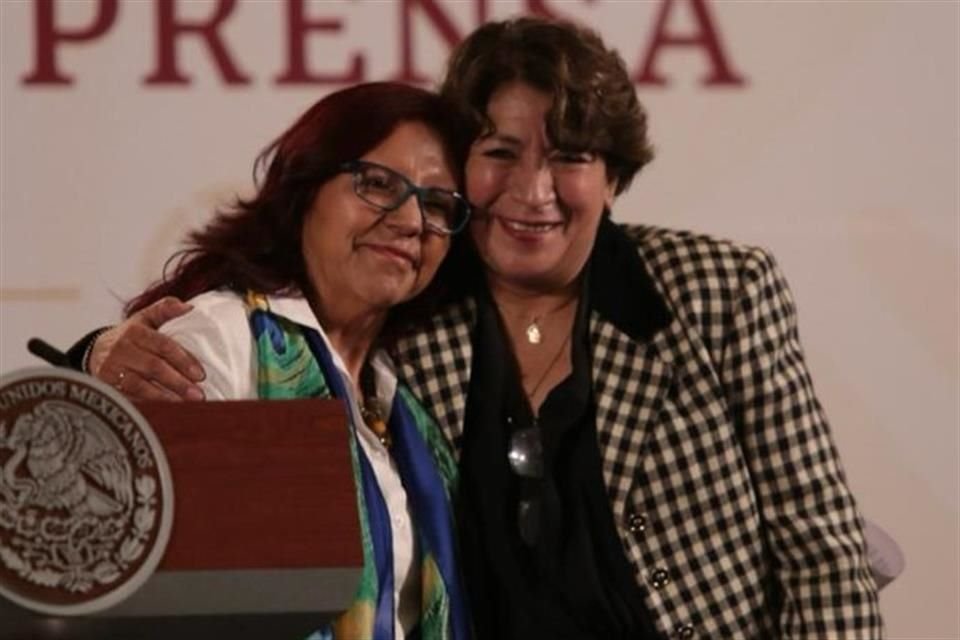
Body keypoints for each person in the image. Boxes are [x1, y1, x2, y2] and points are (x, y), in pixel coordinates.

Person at [69, 17, 882, 639]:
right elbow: (233, 331)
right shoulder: (410, 297)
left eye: (571, 155)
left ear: (614, 176)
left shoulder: (716, 292)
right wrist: (100, 355)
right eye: (500, 152)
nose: (534, 191)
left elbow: (822, 554)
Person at [98, 82, 473, 640]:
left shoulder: (409, 404)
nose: (413, 221)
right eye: (377, 184)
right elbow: (153, 585)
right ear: (305, 187)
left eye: (437, 204)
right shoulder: (220, 339)